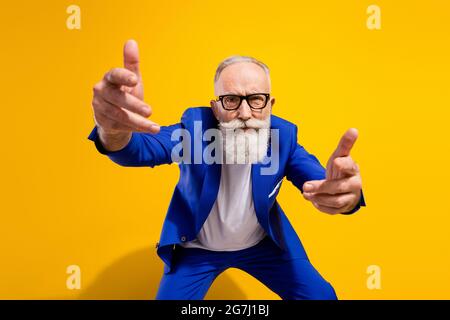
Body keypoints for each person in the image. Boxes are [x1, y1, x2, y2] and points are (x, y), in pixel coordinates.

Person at [88, 40, 366, 300]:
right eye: (231, 100)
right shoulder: (195, 129)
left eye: (256, 99)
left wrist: (345, 195)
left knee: (321, 296)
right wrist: (112, 130)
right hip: (198, 249)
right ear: (216, 107)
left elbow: (323, 182)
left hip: (263, 246)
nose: (244, 113)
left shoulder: (283, 136)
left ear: (270, 105)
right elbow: (139, 150)